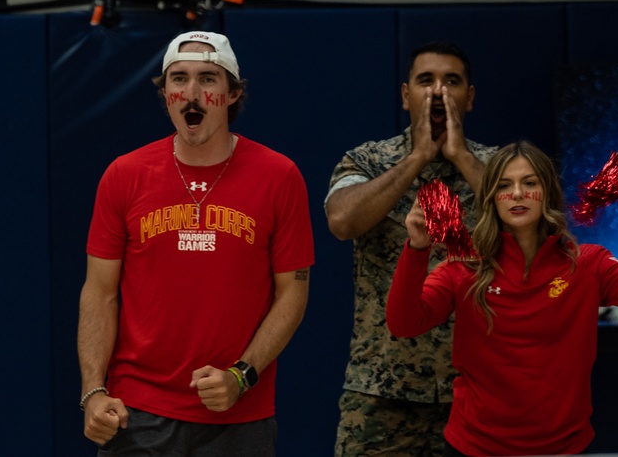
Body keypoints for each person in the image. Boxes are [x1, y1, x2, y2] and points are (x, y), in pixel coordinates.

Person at [77, 31, 314, 456]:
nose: (192, 93)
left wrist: (242, 375)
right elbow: (99, 292)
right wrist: (93, 390)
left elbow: (293, 292)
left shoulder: (280, 176)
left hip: (238, 411)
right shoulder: (124, 175)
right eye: (179, 79)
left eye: (208, 79)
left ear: (233, 93)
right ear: (165, 93)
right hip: (138, 409)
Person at [387, 141, 618, 456]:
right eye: (505, 185)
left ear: (547, 192)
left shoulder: (587, 263)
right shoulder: (462, 269)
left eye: (530, 183)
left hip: (564, 448)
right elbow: (403, 323)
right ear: (492, 198)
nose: (518, 194)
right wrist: (416, 249)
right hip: (476, 447)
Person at [325, 41, 497, 456]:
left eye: (451, 82)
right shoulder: (367, 160)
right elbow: (342, 221)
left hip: (480, 391)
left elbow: (537, 240)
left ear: (469, 98)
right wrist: (418, 157)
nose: (438, 92)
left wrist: (460, 157)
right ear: (406, 95)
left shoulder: (501, 168)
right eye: (426, 81)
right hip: (382, 390)